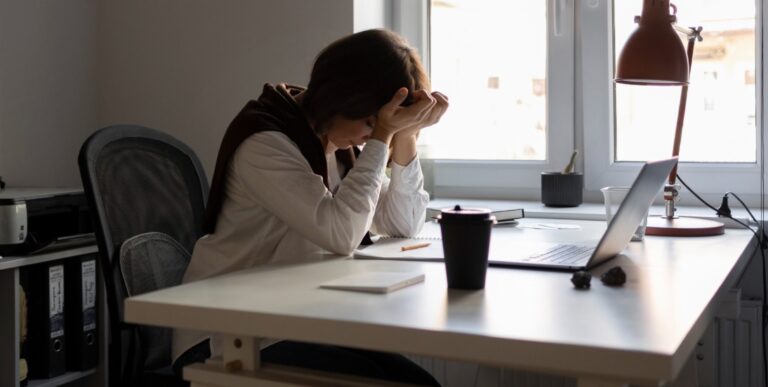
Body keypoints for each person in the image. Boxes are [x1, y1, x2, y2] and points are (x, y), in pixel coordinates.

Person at [172, 29, 448, 386]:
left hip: (288, 321)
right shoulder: (266, 141)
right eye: (370, 121)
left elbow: (402, 223)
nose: (371, 135)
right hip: (224, 334)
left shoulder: (338, 145)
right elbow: (341, 234)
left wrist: (405, 135)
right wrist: (382, 137)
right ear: (342, 97)